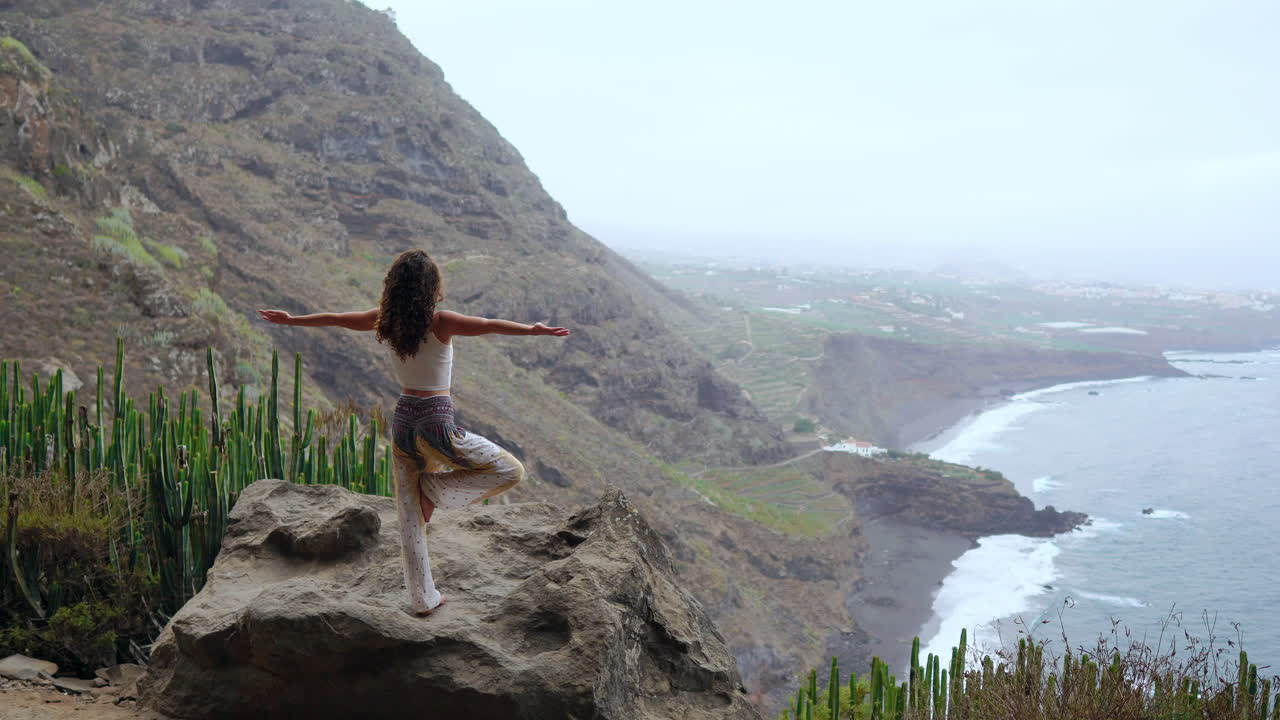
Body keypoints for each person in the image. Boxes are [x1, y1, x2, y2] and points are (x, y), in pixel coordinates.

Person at [256, 248, 570, 617]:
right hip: (437, 422)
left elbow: (338, 319)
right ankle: (434, 490)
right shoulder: (441, 322)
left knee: (408, 516)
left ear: (395, 287)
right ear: (431, 286)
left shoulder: (384, 322)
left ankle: (422, 599)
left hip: (404, 422)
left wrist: (293, 320)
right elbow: (487, 324)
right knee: (509, 470)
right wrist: (532, 330)